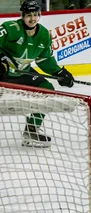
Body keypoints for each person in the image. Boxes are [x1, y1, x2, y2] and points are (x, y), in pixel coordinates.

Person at [0, 0, 75, 148]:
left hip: (23, 72)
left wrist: (59, 72)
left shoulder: (44, 35)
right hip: (2, 73)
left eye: (35, 14)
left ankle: (31, 130)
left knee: (46, 88)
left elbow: (44, 59)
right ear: (22, 15)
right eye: (29, 15)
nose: (32, 18)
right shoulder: (10, 28)